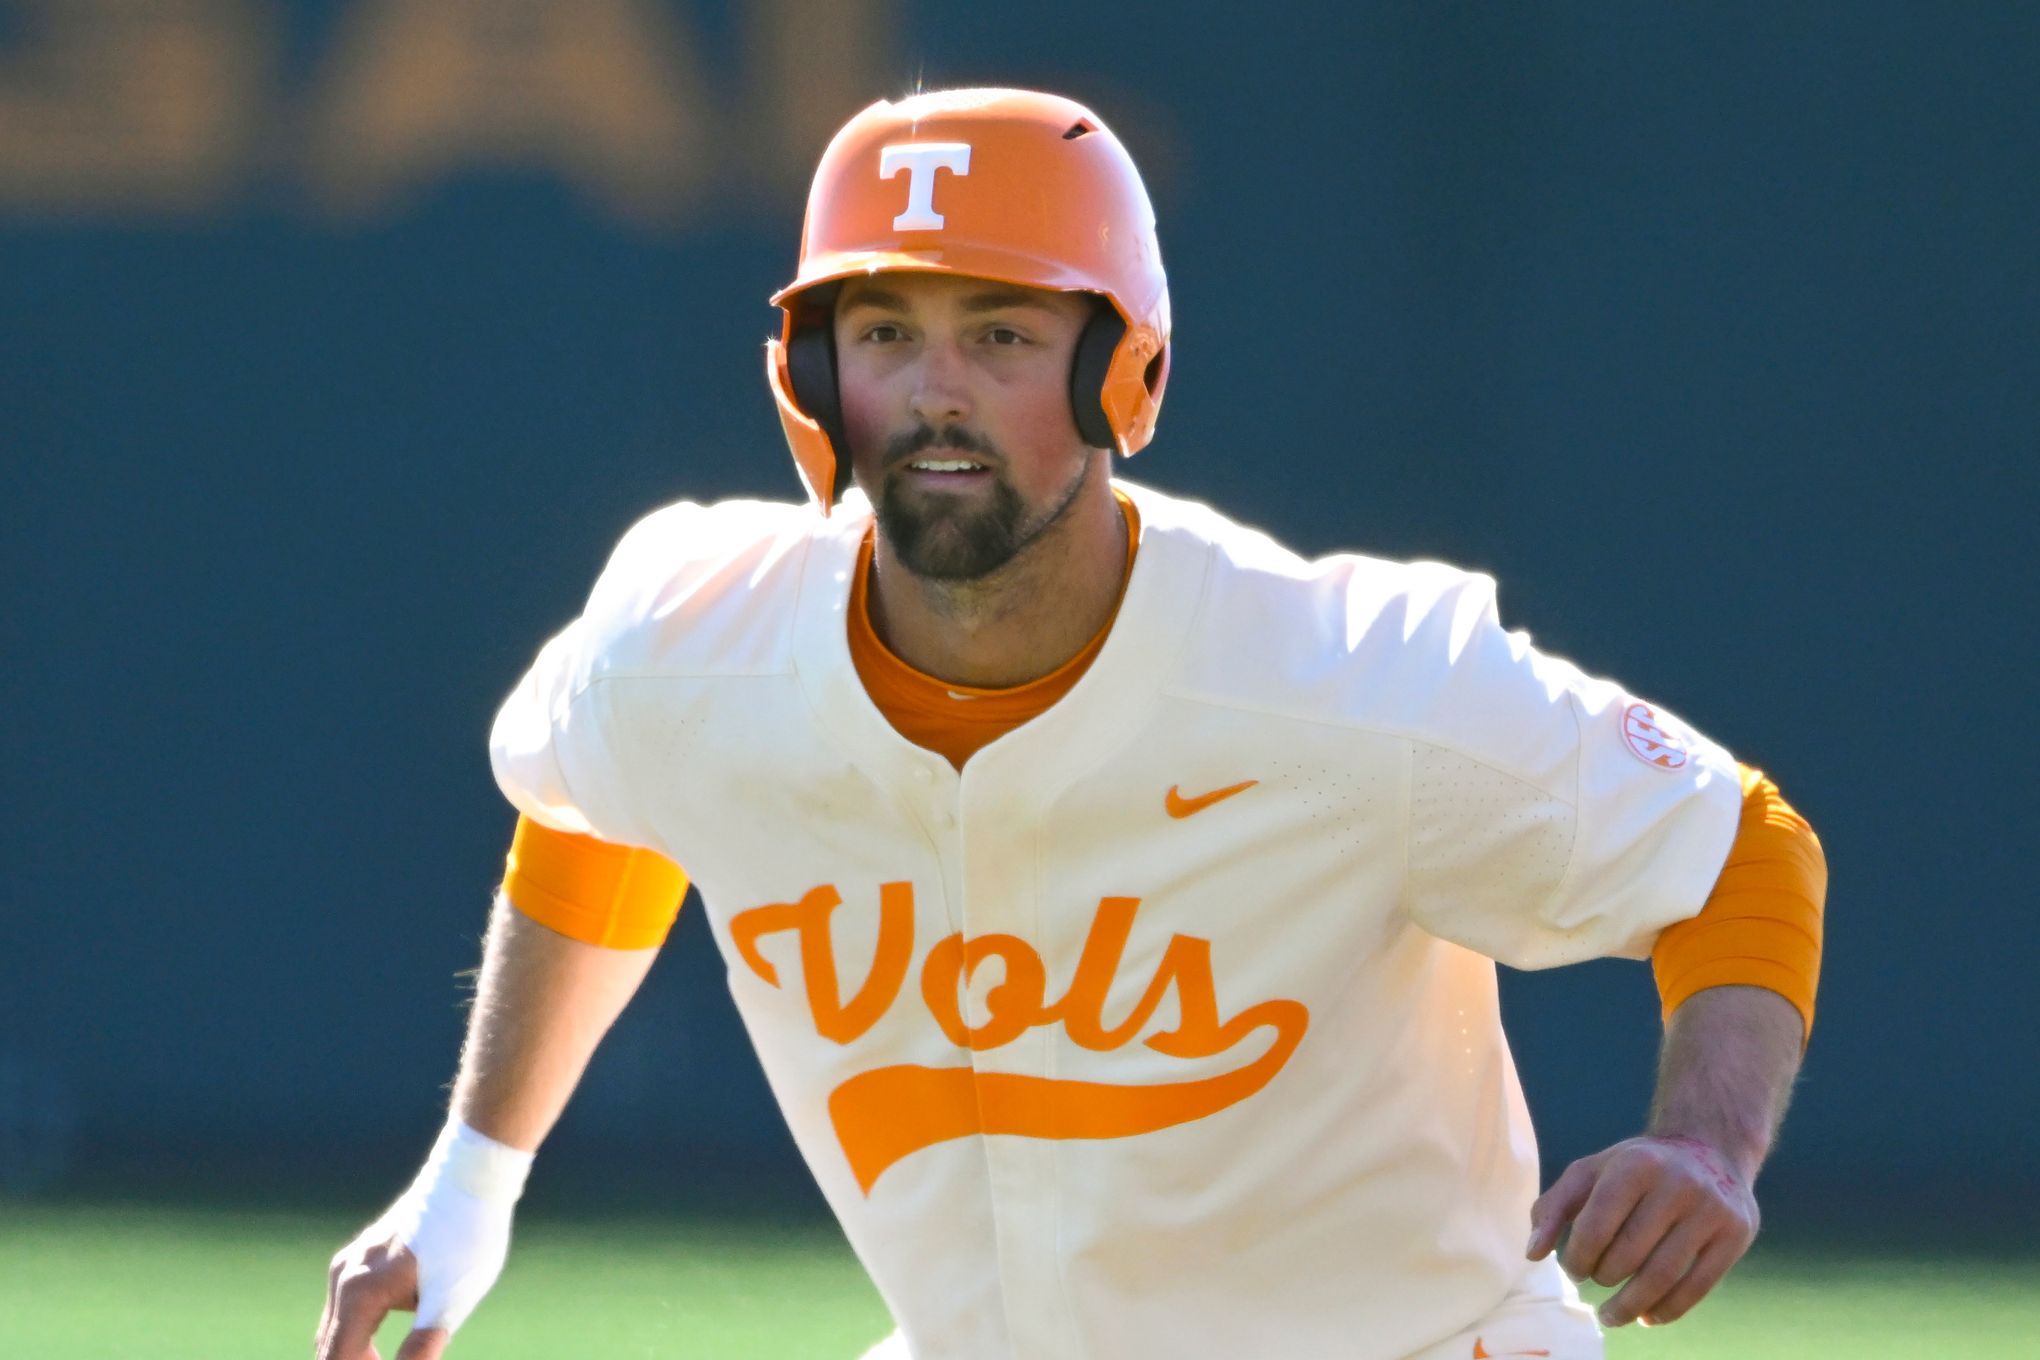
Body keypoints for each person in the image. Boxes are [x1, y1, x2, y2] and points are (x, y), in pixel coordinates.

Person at [315, 87, 1825, 1360]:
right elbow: (601, 803)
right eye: (887, 331)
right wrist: (471, 1183)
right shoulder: (688, 642)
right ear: (811, 377)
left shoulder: (1352, 677)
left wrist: (1706, 1144)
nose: (936, 393)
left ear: (1127, 371)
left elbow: (1739, 852)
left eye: (1004, 334)